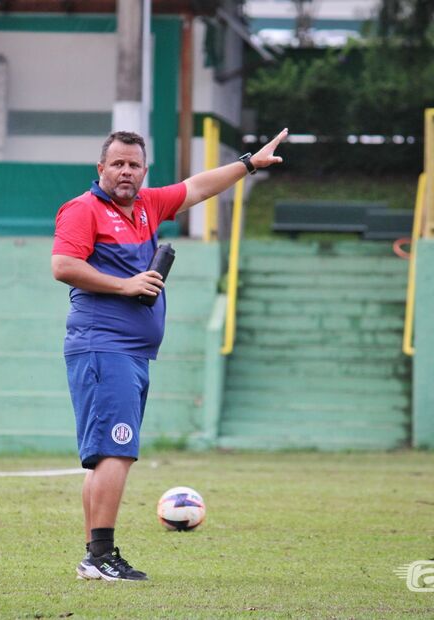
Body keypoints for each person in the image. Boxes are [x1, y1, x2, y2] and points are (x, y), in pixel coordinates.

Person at [51, 128, 287, 581]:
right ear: (100, 168)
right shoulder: (83, 209)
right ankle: (101, 556)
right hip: (104, 348)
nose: (125, 171)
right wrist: (126, 284)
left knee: (106, 455)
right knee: (116, 451)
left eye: (134, 165)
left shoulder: (146, 205)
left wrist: (249, 164)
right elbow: (63, 265)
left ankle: (94, 555)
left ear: (144, 171)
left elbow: (198, 186)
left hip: (130, 354)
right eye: (117, 163)